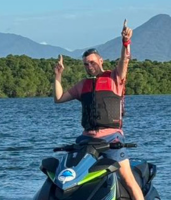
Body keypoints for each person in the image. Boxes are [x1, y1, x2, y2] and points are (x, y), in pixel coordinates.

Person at [53, 20, 144, 200]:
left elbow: (125, 60)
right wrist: (58, 75)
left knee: (127, 177)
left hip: (112, 138)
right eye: (86, 64)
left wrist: (125, 42)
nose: (89, 66)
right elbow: (59, 98)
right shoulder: (83, 85)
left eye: (92, 62)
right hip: (87, 139)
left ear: (100, 61)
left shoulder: (114, 78)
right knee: (68, 175)